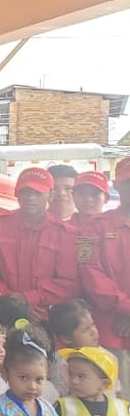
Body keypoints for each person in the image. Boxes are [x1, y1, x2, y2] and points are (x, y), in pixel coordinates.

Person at [0, 167, 81, 321]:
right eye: (26, 192)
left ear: (51, 195)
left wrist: (28, 298)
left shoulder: (67, 234)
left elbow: (68, 283)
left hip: (45, 317)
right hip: (1, 314)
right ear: (16, 193)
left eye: (38, 193)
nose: (31, 198)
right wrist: (13, 303)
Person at [79, 158, 130, 375]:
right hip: (111, 331)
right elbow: (93, 278)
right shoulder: (94, 227)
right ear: (116, 186)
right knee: (117, 402)